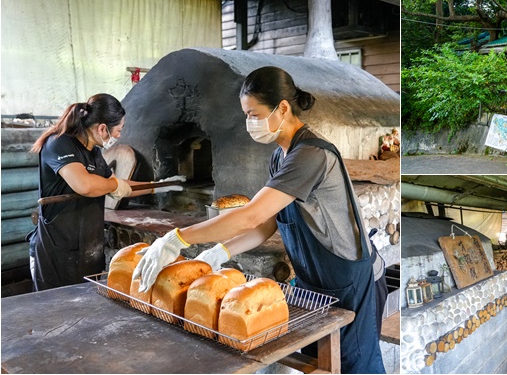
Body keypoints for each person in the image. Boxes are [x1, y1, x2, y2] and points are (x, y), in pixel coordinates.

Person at [132, 67, 387, 374]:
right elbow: (267, 222)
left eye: (254, 113)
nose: (249, 122)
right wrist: (221, 252)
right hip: (317, 283)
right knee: (318, 363)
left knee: (354, 366)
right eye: (246, 114)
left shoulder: (311, 155)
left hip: (352, 282)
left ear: (282, 108)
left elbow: (250, 214)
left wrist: (178, 238)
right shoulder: (281, 156)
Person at [27, 94, 182, 291]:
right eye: (118, 130)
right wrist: (114, 186)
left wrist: (157, 186)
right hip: (56, 247)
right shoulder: (58, 143)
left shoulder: (94, 152)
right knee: (55, 310)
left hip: (87, 245)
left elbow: (116, 185)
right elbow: (85, 185)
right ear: (102, 128)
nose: (118, 136)